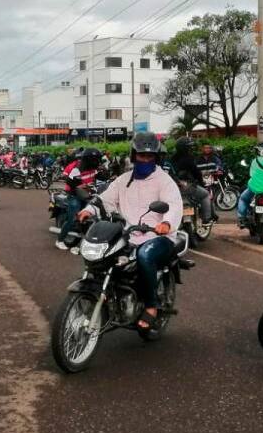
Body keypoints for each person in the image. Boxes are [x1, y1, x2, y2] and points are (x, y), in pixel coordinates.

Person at [76, 132, 183, 330]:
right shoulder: (124, 180)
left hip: (157, 236)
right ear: (134, 156)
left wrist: (166, 224)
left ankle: (151, 306)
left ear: (156, 157)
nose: (145, 160)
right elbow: (105, 198)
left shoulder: (164, 181)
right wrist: (88, 210)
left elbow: (174, 205)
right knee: (105, 256)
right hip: (129, 234)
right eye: (142, 155)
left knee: (145, 255)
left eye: (150, 156)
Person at [56, 148, 102, 251]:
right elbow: (71, 183)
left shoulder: (94, 167)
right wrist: (82, 185)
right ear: (88, 159)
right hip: (74, 195)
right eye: (94, 159)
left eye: (97, 159)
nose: (97, 162)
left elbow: (97, 178)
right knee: (72, 219)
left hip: (87, 194)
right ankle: (60, 240)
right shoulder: (77, 168)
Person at [170, 137, 216, 226]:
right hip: (186, 186)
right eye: (189, 147)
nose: (191, 149)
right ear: (185, 148)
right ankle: (207, 219)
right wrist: (202, 184)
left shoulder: (172, 158)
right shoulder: (188, 158)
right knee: (205, 194)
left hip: (173, 187)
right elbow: (196, 173)